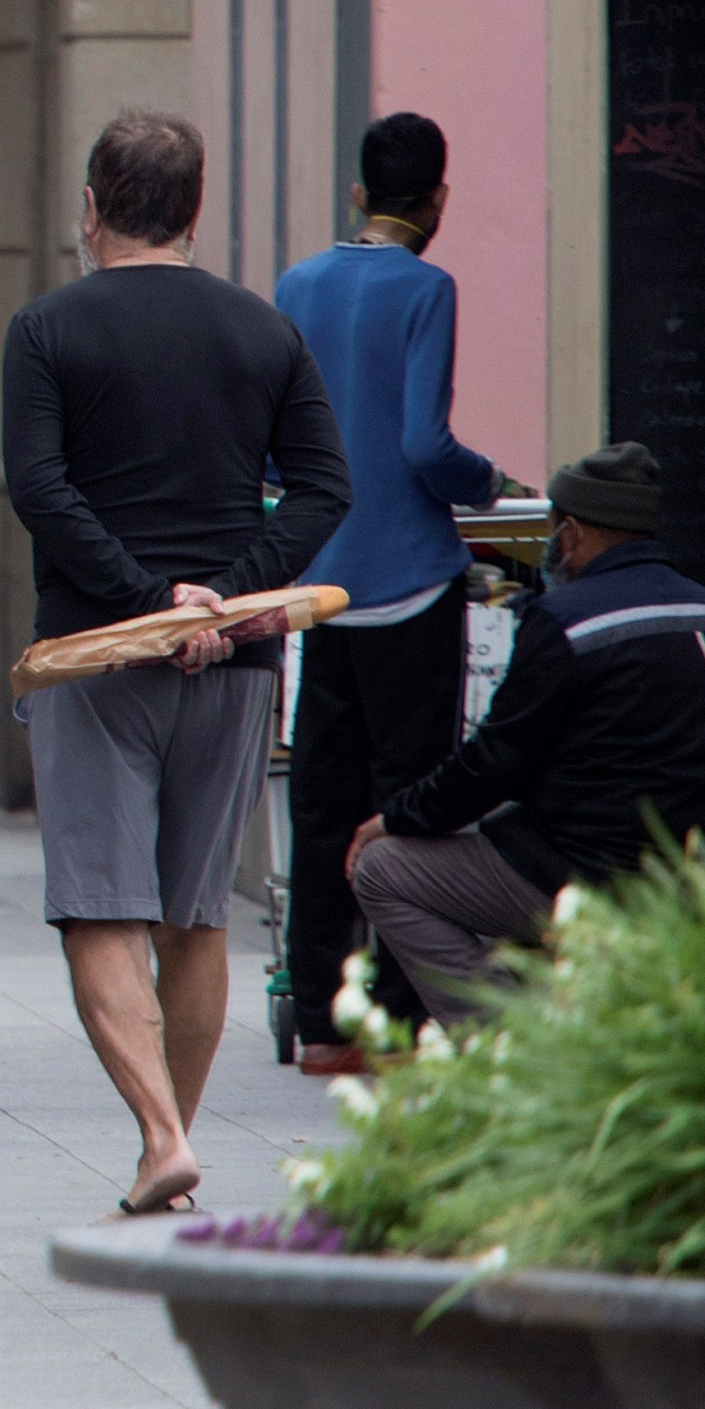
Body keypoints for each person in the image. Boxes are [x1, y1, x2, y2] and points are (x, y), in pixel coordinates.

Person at [0, 109, 350, 1216]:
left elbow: (40, 489)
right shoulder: (262, 331)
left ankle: (158, 1136)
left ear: (91, 209)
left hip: (96, 658)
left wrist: (149, 603)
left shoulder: (45, 330)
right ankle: (174, 1145)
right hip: (235, 665)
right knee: (194, 914)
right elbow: (324, 487)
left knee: (100, 906)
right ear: (195, 212)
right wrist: (230, 596)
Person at [348, 443, 705, 1010]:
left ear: (573, 532)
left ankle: (514, 1045)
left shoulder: (566, 619)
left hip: (592, 878)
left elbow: (494, 763)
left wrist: (398, 816)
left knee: (386, 870)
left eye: (555, 529)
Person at [272, 111, 501, 1068]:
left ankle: (323, 1021)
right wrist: (490, 483)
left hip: (323, 582)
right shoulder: (430, 289)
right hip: (412, 581)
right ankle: (398, 1019)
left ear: (359, 192)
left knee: (322, 798)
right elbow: (423, 446)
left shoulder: (297, 285)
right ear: (438, 198)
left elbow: (283, 442)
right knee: (410, 805)